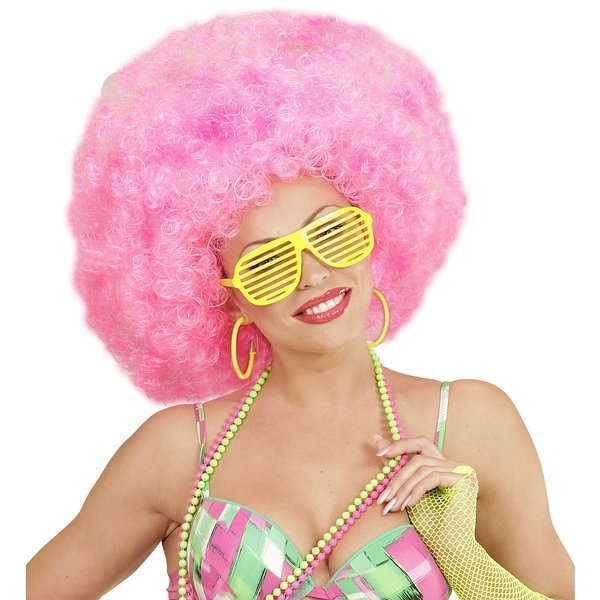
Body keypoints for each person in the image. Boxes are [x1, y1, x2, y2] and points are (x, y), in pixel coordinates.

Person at [26, 9, 574, 600]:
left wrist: (463, 556)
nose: (313, 274)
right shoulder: (178, 451)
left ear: (376, 230)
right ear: (223, 296)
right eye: (267, 263)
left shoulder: (471, 423)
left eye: (333, 233)